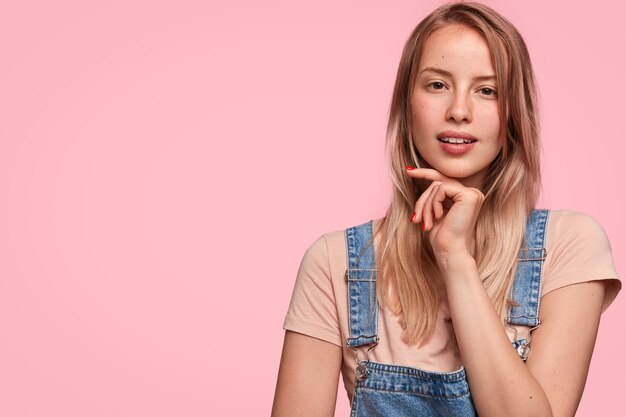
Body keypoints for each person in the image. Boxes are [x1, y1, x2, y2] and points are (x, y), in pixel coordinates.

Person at [271, 2, 621, 416]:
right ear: (407, 102)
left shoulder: (568, 245)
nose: (459, 110)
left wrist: (456, 258)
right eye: (437, 85)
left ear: (513, 114)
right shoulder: (335, 263)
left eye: (487, 90)